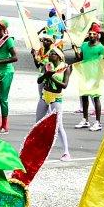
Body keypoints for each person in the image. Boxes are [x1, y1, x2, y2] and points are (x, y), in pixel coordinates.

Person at [34, 31, 71, 160]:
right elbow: (39, 81)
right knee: (38, 122)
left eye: (54, 54)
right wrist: (46, 75)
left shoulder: (65, 67)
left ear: (60, 57)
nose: (51, 56)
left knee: (58, 125)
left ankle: (66, 152)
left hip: (57, 98)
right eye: (50, 54)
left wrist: (52, 78)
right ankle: (37, 148)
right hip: (45, 95)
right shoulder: (47, 66)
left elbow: (64, 85)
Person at [71, 24, 104, 131]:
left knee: (96, 98)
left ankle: (98, 122)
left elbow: (102, 63)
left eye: (93, 34)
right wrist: (76, 50)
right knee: (84, 96)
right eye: (90, 33)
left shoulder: (101, 48)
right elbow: (80, 58)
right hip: (84, 74)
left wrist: (99, 76)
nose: (91, 35)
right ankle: (85, 120)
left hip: (95, 76)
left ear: (97, 36)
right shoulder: (84, 45)